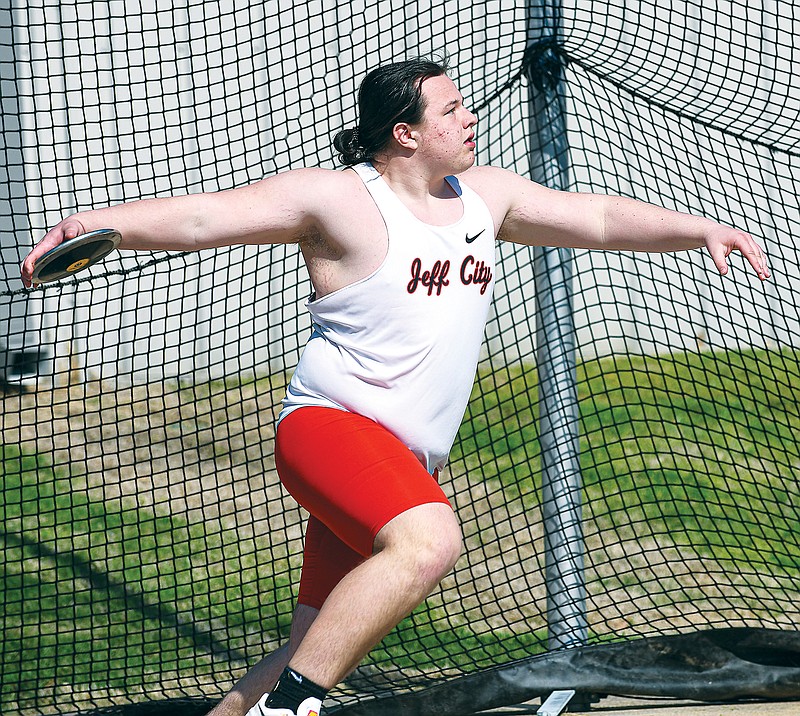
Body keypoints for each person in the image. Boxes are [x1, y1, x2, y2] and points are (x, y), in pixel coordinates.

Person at [21, 57, 770, 716]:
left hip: (402, 459)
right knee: (430, 541)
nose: (470, 116)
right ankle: (292, 713)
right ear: (405, 133)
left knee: (316, 641)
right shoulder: (343, 200)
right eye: (450, 109)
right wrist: (99, 221)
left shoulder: (487, 196)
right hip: (332, 428)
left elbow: (599, 218)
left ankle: (268, 703)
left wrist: (698, 227)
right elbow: (204, 215)